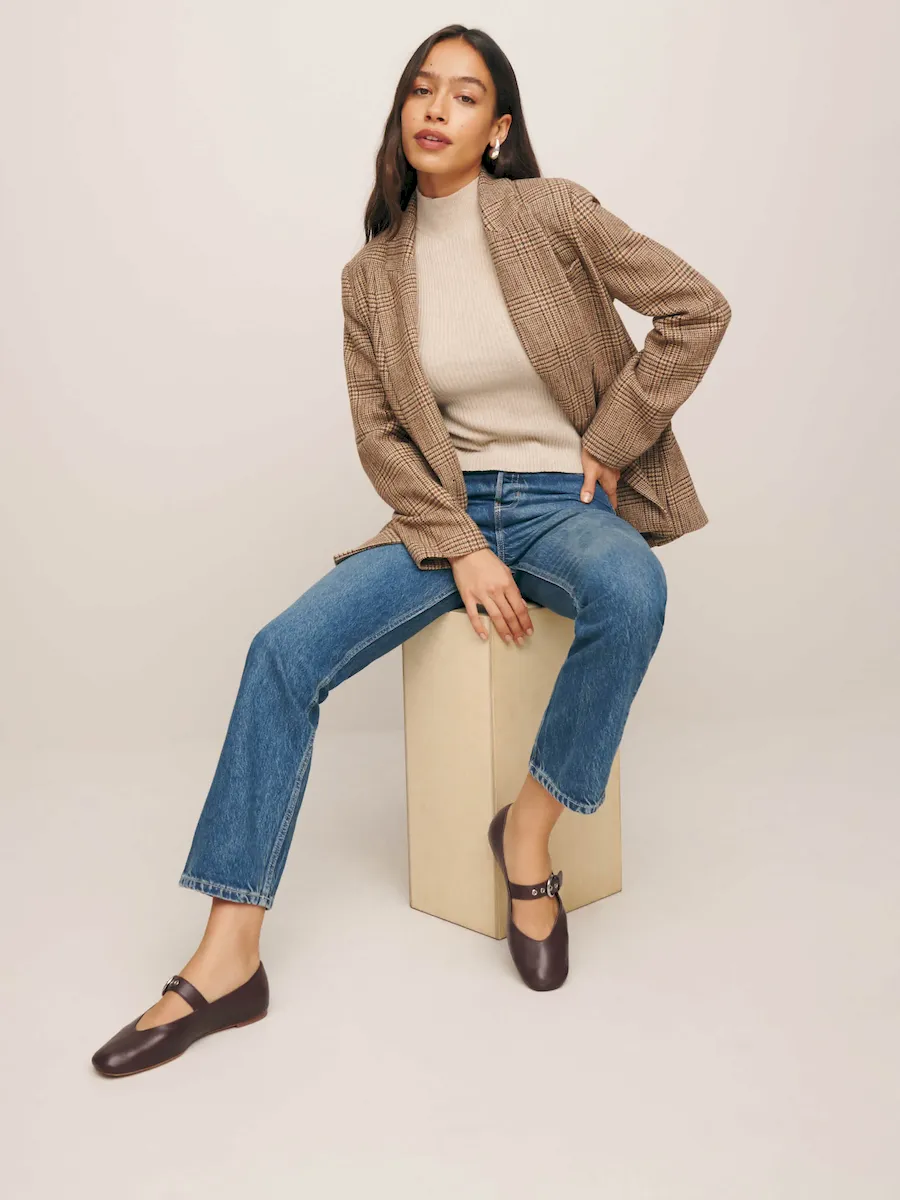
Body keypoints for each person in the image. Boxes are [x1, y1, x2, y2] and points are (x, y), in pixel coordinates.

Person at [91, 24, 731, 1077]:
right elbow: (383, 435)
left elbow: (696, 309)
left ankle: (528, 834)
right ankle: (228, 956)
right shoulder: (371, 275)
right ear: (402, 113)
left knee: (635, 588)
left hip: (562, 503)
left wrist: (613, 441)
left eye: (465, 95)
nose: (437, 109)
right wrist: (461, 545)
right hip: (443, 515)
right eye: (422, 90)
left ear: (498, 129)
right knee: (280, 655)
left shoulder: (552, 212)